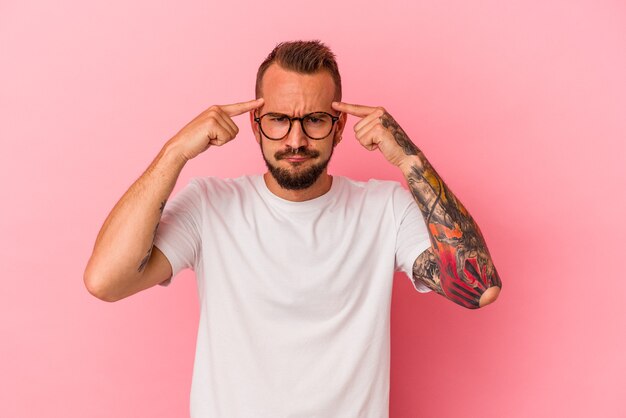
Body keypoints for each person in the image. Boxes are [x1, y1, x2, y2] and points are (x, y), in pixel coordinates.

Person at [84, 40, 501, 418]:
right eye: (279, 120)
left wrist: (410, 160)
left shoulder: (384, 210)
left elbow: (478, 286)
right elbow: (106, 281)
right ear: (255, 125)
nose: (296, 140)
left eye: (316, 120)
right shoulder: (210, 206)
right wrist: (174, 152)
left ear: (339, 128)